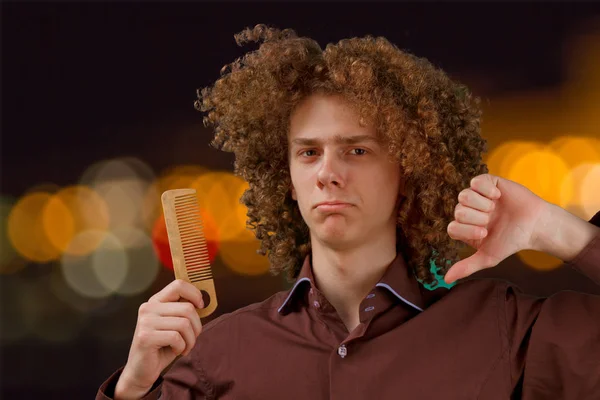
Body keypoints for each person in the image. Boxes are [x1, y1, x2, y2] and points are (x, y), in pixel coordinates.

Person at [96, 25, 600, 399]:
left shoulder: (502, 327)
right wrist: (133, 388)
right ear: (286, 178)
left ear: (407, 170)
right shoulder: (216, 354)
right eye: (308, 152)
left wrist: (562, 232)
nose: (327, 173)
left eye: (357, 150)